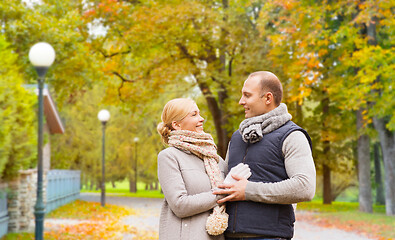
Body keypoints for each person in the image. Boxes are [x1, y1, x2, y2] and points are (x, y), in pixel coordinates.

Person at [213, 71, 316, 240]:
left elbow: (305, 187)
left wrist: (248, 191)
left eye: (247, 95)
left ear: (268, 98)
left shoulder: (292, 136)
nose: (241, 102)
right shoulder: (238, 137)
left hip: (269, 236)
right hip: (228, 236)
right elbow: (222, 181)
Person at [157, 98, 228, 240]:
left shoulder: (215, 159)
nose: (201, 119)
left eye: (199, 114)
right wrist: (222, 193)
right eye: (194, 115)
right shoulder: (169, 157)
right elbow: (180, 205)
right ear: (176, 124)